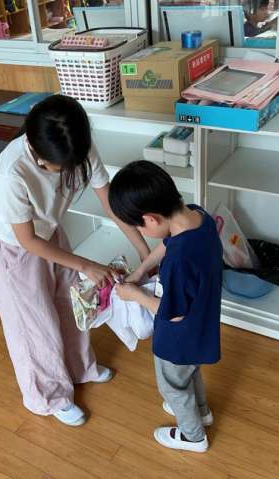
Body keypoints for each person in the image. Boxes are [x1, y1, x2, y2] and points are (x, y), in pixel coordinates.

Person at [0, 95, 150, 427]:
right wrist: (86, 265)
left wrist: (146, 254)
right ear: (37, 152)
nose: (68, 173)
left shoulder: (78, 144)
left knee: (71, 304)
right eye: (58, 168)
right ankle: (49, 396)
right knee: (35, 323)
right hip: (14, 248)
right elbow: (27, 240)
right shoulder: (11, 170)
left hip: (51, 233)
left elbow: (111, 205)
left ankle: (80, 368)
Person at [108, 160, 222, 453]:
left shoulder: (180, 262)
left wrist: (134, 295)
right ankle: (202, 411)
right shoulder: (198, 216)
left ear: (151, 219)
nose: (140, 230)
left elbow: (173, 314)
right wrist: (141, 270)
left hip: (178, 337)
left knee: (173, 385)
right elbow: (167, 243)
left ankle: (193, 436)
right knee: (189, 371)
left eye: (138, 225)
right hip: (202, 326)